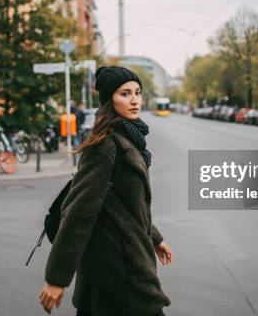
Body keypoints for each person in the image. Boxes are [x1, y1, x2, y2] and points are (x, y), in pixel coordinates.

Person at [39, 66, 173, 316]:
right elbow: (79, 211)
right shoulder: (105, 146)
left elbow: (128, 204)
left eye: (138, 92)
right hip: (118, 269)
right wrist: (57, 277)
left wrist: (155, 237)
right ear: (110, 100)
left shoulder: (130, 138)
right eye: (125, 94)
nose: (135, 100)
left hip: (124, 265)